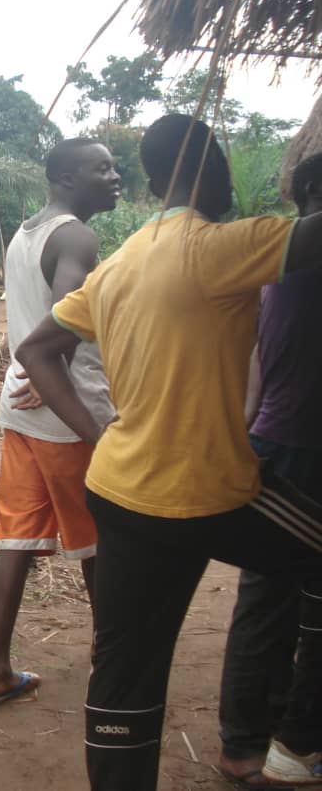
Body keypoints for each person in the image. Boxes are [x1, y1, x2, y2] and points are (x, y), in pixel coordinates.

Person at [13, 114, 322, 791]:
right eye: (223, 160)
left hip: (122, 491)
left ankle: (248, 746)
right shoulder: (218, 247)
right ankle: (297, 738)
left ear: (153, 180)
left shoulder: (122, 261)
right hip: (209, 497)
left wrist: (99, 435)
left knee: (126, 673)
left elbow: (34, 350)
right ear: (208, 168)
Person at [0, 138, 121, 706]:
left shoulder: (26, 232)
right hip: (65, 407)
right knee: (98, 540)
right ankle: (114, 662)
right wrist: (53, 377)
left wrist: (36, 372)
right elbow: (63, 320)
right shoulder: (76, 236)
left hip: (21, 402)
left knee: (16, 534)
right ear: (66, 179)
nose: (114, 176)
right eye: (101, 168)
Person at [218, 152, 322, 788]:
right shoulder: (295, 257)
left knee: (272, 595)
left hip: (278, 440)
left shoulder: (278, 264)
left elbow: (257, 363)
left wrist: (249, 432)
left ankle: (257, 737)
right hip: (297, 447)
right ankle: (278, 742)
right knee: (275, 596)